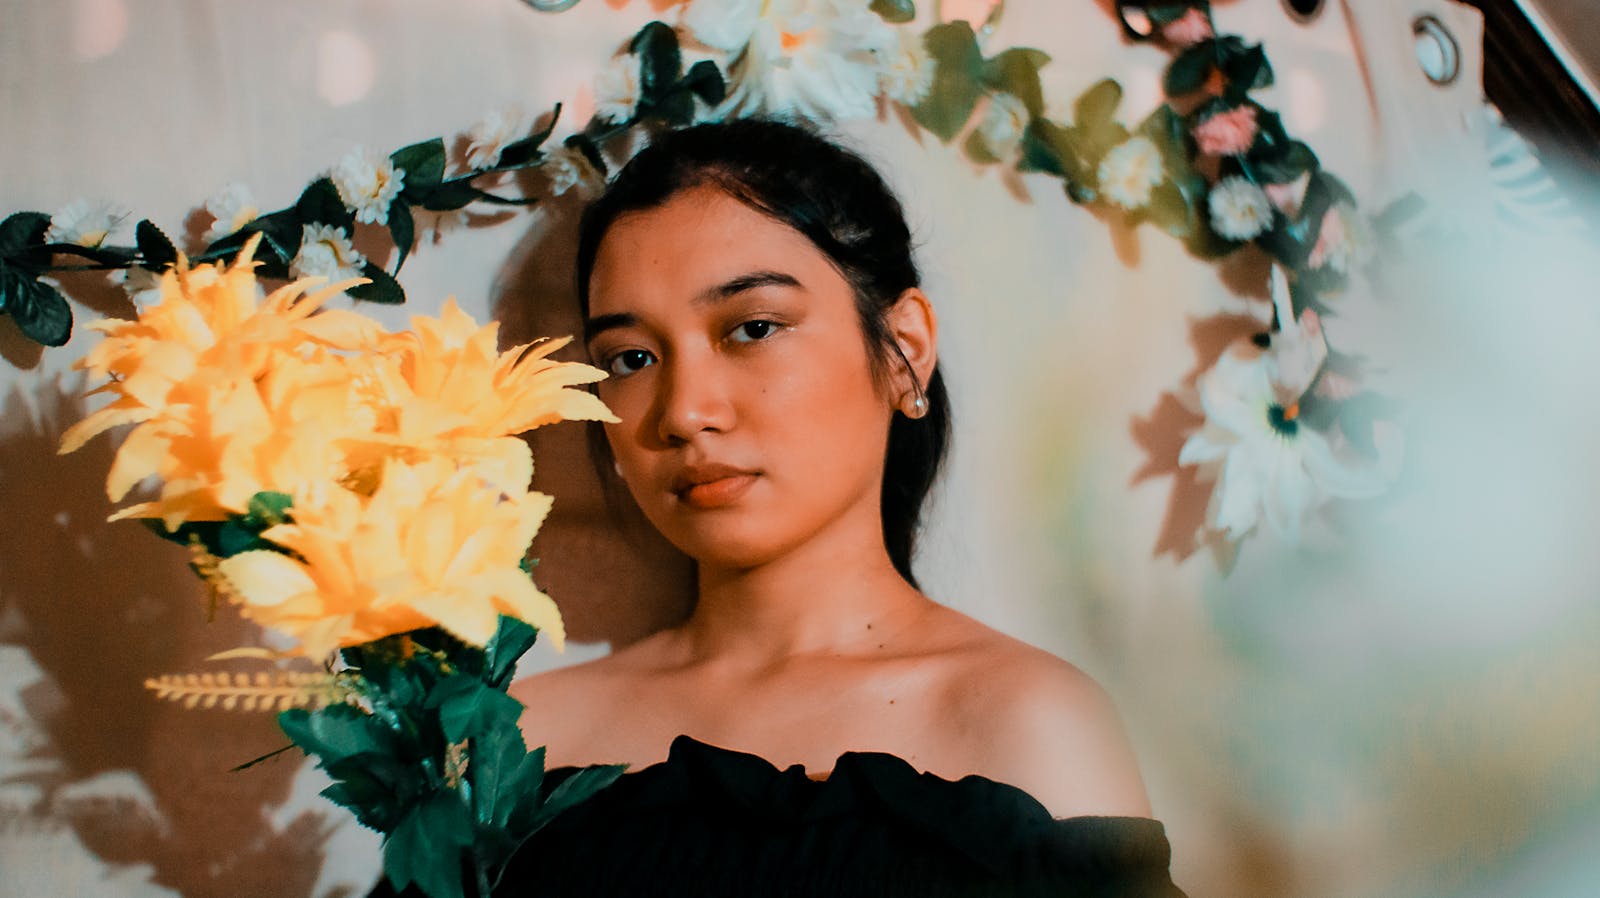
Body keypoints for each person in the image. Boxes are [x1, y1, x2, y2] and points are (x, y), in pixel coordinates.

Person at [501, 118, 1185, 896]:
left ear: (904, 348)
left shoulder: (1026, 722)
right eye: (632, 358)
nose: (685, 411)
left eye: (753, 328)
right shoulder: (524, 739)